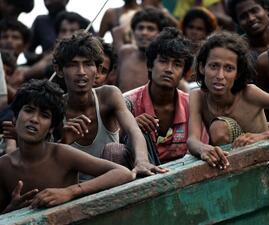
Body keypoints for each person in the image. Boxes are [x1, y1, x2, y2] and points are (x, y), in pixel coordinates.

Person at [0, 79, 134, 214]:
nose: (34, 119)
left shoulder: (61, 154)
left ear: (51, 128)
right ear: (15, 118)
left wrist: (70, 192)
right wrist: (11, 209)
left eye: (44, 115)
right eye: (29, 110)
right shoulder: (4, 166)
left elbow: (123, 173)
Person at [53, 30, 166, 178]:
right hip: (74, 189)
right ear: (59, 70)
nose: (81, 72)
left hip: (115, 181)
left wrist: (142, 161)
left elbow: (133, 130)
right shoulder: (55, 106)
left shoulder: (108, 95)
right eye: (73, 65)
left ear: (98, 70)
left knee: (115, 151)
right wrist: (63, 142)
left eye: (88, 64)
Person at [187, 31, 269, 170]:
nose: (220, 75)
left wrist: (265, 135)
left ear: (237, 73)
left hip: (265, 162)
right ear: (202, 67)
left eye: (229, 68)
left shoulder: (249, 93)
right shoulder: (197, 96)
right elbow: (192, 140)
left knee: (219, 128)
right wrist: (203, 149)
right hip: (228, 166)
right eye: (214, 66)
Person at [124, 27, 209, 164]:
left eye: (177, 64)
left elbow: (200, 150)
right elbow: (112, 144)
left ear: (184, 73)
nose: (169, 69)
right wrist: (130, 127)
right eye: (163, 61)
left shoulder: (192, 105)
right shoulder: (127, 103)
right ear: (151, 65)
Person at [116, 7, 177, 93]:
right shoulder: (125, 52)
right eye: (140, 28)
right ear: (133, 32)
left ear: (160, 34)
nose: (144, 33)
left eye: (150, 29)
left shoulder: (167, 62)